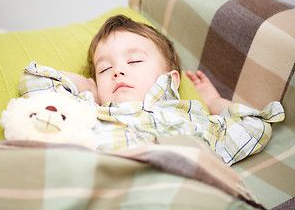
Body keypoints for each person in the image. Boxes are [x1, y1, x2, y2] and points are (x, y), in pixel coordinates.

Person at [19, 15, 284, 165]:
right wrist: (90, 86)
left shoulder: (196, 119)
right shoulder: (90, 112)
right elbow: (35, 82)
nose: (117, 71)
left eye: (134, 61)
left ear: (172, 80)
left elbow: (256, 127)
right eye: (104, 69)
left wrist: (214, 103)